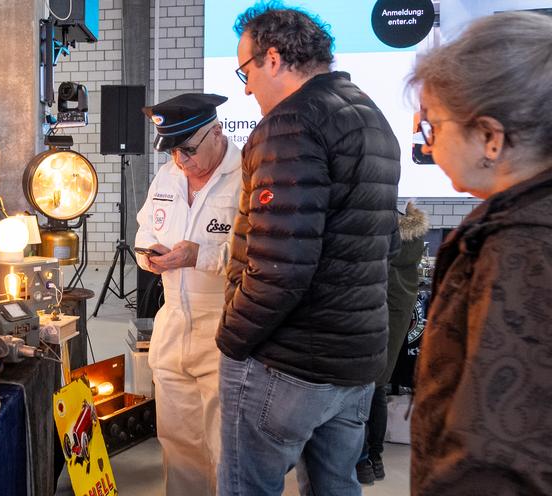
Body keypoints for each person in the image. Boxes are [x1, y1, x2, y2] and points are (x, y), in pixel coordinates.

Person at [217, 6, 400, 495]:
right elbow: (385, 242)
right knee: (335, 487)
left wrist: (232, 339)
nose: (247, 89)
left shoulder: (290, 124)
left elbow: (279, 268)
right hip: (355, 360)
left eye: (246, 71)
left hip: (288, 362)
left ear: (273, 58)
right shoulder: (371, 117)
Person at [407, 12, 552, 495]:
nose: (429, 145)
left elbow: (498, 454)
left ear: (490, 138)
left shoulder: (519, 247)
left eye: (433, 125)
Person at [135, 93, 242, 495]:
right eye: (173, 151)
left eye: (189, 150)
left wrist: (200, 256)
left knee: (226, 447)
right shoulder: (168, 176)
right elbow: (145, 230)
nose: (182, 160)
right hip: (172, 324)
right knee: (179, 444)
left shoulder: (248, 176)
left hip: (225, 327)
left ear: (217, 132)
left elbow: (260, 256)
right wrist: (149, 256)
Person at [356, 201, 428, 485]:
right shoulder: (413, 237)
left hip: (368, 320)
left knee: (361, 392)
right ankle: (375, 459)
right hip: (396, 320)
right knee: (378, 388)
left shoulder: (374, 231)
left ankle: (362, 460)